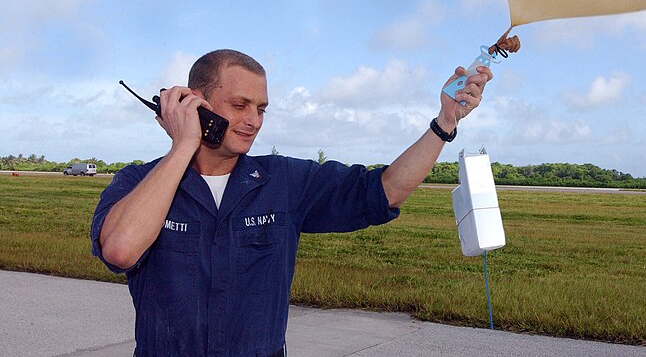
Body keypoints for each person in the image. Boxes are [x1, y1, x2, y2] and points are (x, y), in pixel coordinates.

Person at [91, 48, 493, 357]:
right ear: (196, 104)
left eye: (261, 108)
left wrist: (445, 122)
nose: (254, 120)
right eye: (239, 105)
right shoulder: (138, 183)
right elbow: (121, 250)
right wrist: (183, 146)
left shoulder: (284, 181)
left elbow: (385, 190)